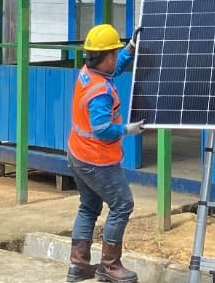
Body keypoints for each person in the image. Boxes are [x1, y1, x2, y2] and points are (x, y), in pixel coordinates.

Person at [66, 24, 146, 283]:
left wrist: (130, 49)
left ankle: (78, 266)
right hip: (96, 160)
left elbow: (115, 68)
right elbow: (102, 130)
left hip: (78, 154)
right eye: (115, 52)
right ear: (107, 56)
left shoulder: (89, 73)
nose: (116, 56)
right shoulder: (99, 92)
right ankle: (109, 266)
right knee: (122, 205)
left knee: (88, 206)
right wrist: (127, 129)